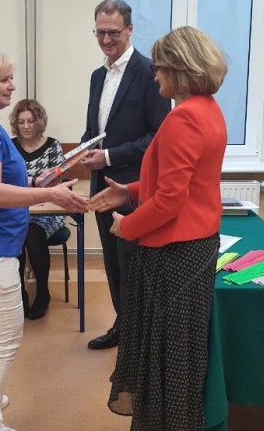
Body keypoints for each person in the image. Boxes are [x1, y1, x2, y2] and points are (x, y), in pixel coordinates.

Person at [89, 26, 228, 430]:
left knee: (166, 357)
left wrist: (127, 226)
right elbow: (180, 180)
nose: (155, 76)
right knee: (178, 354)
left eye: (161, 68)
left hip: (174, 253)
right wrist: (129, 191)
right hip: (194, 247)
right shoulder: (208, 109)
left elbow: (170, 200)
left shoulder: (184, 118)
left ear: (180, 70)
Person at [0, 46, 87, 431]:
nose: (12, 85)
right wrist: (48, 193)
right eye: (4, 79)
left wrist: (35, 182)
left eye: (11, 77)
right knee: (4, 340)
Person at [80, 0, 170, 350]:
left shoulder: (149, 74)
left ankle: (137, 338)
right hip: (101, 186)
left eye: (113, 33)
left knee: (132, 266)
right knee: (112, 263)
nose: (106, 40)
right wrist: (84, 150)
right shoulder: (96, 76)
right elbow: (94, 130)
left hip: (133, 187)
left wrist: (108, 155)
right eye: (100, 32)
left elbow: (157, 137)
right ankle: (123, 326)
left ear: (130, 29)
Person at [9, 99, 66, 320]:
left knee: (32, 232)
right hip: (18, 210)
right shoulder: (10, 146)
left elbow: (57, 182)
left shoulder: (53, 146)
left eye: (31, 121)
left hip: (49, 210)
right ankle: (20, 293)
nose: (26, 126)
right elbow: (6, 181)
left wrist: (32, 188)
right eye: (21, 122)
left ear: (39, 121)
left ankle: (42, 292)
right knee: (19, 231)